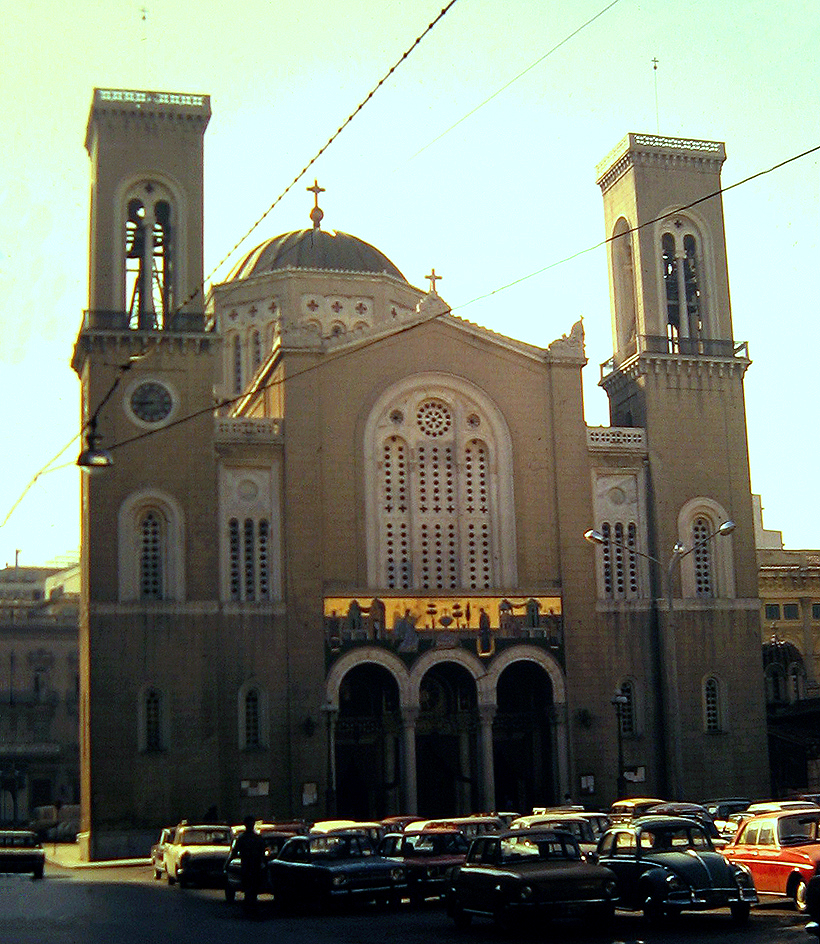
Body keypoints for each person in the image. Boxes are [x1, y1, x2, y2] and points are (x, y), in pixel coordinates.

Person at [234, 816, 266, 911]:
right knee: (252, 888)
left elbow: (235, 852)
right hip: (252, 866)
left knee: (249, 888)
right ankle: (251, 905)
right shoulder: (257, 838)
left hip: (249, 866)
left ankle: (250, 906)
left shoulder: (243, 838)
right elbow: (263, 854)